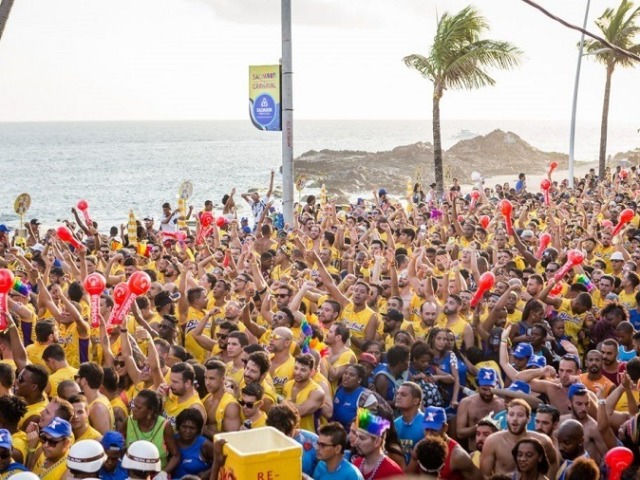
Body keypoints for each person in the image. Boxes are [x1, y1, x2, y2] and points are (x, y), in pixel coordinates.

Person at [480, 400, 558, 478]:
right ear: (506, 417)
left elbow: (553, 463)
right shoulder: (493, 441)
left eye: (520, 415)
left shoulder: (542, 441)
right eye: (511, 414)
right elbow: (485, 475)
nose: (515, 419)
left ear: (528, 419)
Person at [406, 406, 481, 479]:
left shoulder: (458, 456)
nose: (429, 435)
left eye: (434, 430)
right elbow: (407, 476)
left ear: (445, 428)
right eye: (427, 429)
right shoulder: (419, 448)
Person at [121, 389, 180, 473]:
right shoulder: (128, 422)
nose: (133, 409)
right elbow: (120, 447)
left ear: (150, 411)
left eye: (138, 407)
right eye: (134, 405)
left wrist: (163, 473)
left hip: (157, 474)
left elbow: (176, 455)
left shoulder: (164, 426)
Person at [457, 367, 505, 451]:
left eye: (491, 389)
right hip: (474, 451)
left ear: (497, 384)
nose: (488, 393)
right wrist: (481, 426)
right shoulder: (466, 403)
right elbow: (460, 433)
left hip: (498, 452)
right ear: (478, 386)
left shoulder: (503, 403)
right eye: (484, 389)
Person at [266, 401, 318, 477]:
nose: (285, 439)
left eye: (288, 433)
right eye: (278, 435)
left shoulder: (313, 441)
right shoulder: (265, 440)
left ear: (295, 426)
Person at [351, 409, 403, 479]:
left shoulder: (393, 472)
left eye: (362, 438)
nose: (356, 442)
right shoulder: (356, 464)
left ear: (377, 441)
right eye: (356, 436)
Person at [173, 409, 213, 479]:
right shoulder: (172, 440)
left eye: (192, 428)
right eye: (184, 427)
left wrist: (207, 473)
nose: (187, 431)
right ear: (178, 426)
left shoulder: (205, 445)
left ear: (198, 429)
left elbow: (220, 462)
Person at [393, 381, 425, 465]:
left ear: (415, 401)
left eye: (403, 395)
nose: (398, 397)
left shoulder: (427, 423)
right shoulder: (395, 424)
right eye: (397, 394)